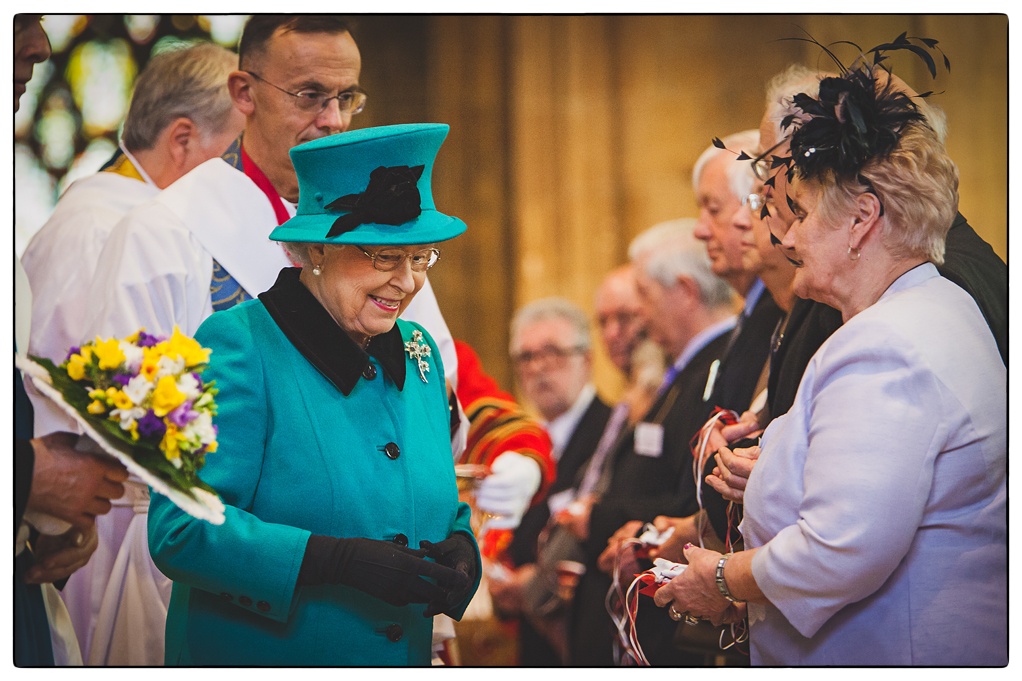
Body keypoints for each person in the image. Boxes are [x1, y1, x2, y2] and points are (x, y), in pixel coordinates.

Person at [652, 56, 1006, 666]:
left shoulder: (886, 345)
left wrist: (720, 578)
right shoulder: (918, 311)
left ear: (862, 220)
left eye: (806, 214)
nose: (786, 238)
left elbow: (839, 550)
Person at [148, 123, 480, 665]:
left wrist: (462, 545)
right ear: (316, 250)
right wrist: (329, 561)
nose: (408, 282)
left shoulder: (419, 350)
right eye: (383, 257)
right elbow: (179, 529)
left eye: (420, 257)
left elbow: (435, 496)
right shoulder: (237, 346)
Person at [20, 42, 243, 664]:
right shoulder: (100, 226)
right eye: (232, 155)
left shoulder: (141, 217)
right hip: (109, 527)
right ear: (181, 141)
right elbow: (72, 400)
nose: (240, 177)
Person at [85, 15, 458, 384]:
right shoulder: (160, 234)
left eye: (346, 98)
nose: (334, 120)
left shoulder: (381, 230)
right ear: (244, 93)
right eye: (310, 96)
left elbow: (434, 383)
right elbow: (128, 407)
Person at [566, 219, 734, 666]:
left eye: (643, 295)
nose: (639, 313)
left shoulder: (717, 368)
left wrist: (621, 522)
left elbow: (694, 493)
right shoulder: (685, 372)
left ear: (684, 291)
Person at [14, 14, 129, 666]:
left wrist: (40, 520)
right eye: (22, 21)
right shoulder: (90, 226)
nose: (40, 45)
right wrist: (29, 477)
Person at [488, 297, 611, 665]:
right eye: (526, 357)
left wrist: (536, 583)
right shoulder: (520, 448)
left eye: (553, 352)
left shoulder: (613, 434)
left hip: (589, 639)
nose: (539, 367)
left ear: (586, 360)